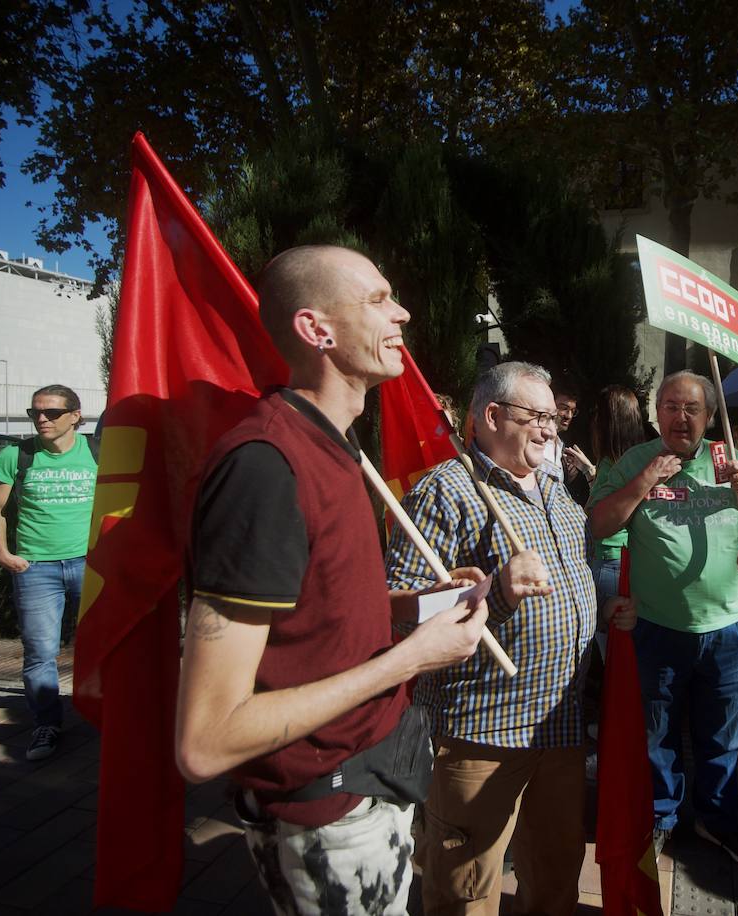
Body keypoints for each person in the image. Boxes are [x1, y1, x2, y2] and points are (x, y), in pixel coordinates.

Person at [174, 245, 489, 916]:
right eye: (377, 300)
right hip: (326, 815)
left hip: (375, 783)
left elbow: (320, 610)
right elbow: (206, 739)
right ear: (317, 330)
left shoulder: (338, 445)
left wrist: (425, 605)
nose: (402, 311)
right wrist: (413, 658)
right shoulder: (265, 466)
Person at [386, 360, 635, 916]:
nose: (549, 429)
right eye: (536, 416)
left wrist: (600, 608)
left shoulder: (553, 483)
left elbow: (571, 571)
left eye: (553, 417)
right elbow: (396, 610)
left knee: (555, 873)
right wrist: (493, 593)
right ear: (491, 416)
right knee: (464, 886)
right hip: (482, 733)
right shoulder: (445, 491)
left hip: (560, 724)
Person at [589, 370, 738, 867]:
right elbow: (598, 524)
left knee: (722, 736)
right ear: (657, 413)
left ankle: (717, 819)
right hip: (657, 626)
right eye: (671, 406)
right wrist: (644, 481)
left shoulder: (729, 459)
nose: (681, 416)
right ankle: (662, 819)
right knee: (657, 734)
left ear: (709, 416)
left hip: (728, 628)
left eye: (692, 408)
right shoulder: (636, 460)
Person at [0, 384, 99, 761]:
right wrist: (2, 552)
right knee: (40, 652)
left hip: (90, 565)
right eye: (35, 413)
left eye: (51, 412)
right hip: (36, 569)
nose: (41, 419)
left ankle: (107, 716)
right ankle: (46, 723)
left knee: (102, 646)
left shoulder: (98, 454)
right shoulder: (15, 456)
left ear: (76, 416)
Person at [585, 385, 648, 604]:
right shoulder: (641, 462)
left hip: (608, 560)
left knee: (608, 634)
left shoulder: (610, 462)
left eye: (597, 413)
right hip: (632, 557)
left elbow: (594, 519)